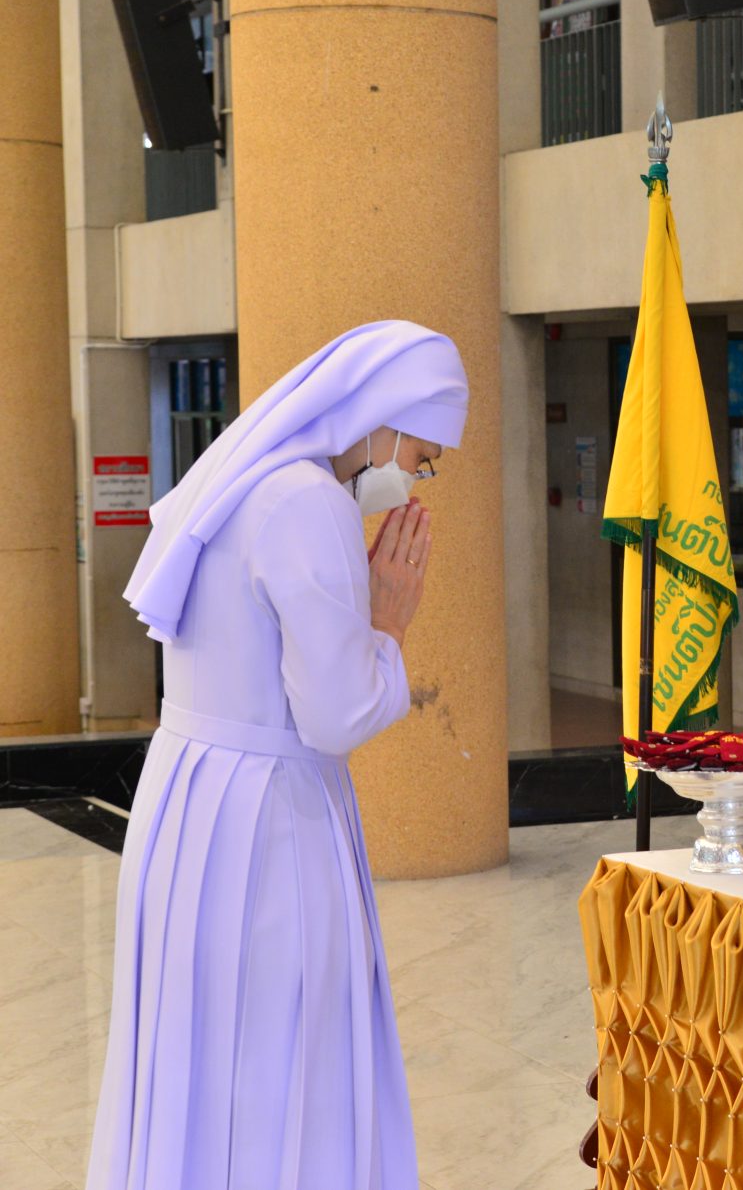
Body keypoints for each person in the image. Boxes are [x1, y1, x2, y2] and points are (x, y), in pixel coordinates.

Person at [86, 320, 467, 1190]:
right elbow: (335, 714)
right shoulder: (309, 501)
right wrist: (389, 621)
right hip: (267, 821)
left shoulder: (244, 479)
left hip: (188, 801)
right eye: (424, 456)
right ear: (382, 417)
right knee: (285, 1054)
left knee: (197, 1053)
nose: (417, 478)